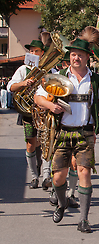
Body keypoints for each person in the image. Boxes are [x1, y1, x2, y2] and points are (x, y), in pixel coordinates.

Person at [34, 26, 99, 233]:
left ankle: (84, 219)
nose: (75, 58)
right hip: (62, 132)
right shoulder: (59, 76)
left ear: (88, 57)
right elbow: (37, 97)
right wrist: (51, 105)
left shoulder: (96, 81)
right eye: (72, 54)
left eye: (79, 55)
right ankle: (62, 203)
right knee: (58, 177)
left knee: (84, 173)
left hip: (85, 132)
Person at [8, 39, 51, 189]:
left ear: (42, 53)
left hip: (44, 112)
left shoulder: (49, 70)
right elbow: (11, 87)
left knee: (46, 143)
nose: (33, 53)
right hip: (28, 113)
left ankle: (46, 176)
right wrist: (23, 84)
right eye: (31, 51)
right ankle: (34, 176)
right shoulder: (23, 69)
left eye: (36, 51)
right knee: (30, 144)